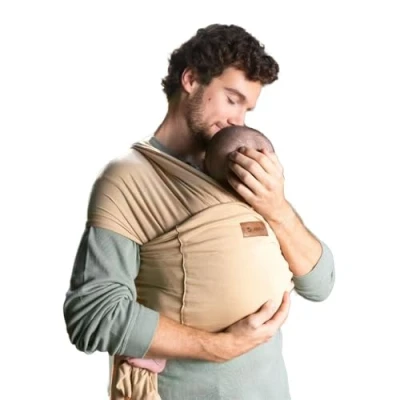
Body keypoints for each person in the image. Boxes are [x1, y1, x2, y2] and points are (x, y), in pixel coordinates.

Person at [63, 24, 335, 400]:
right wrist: (218, 347)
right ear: (191, 80)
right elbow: (93, 315)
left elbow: (320, 285)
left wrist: (277, 208)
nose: (238, 120)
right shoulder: (128, 178)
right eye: (232, 99)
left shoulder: (238, 164)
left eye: (247, 109)